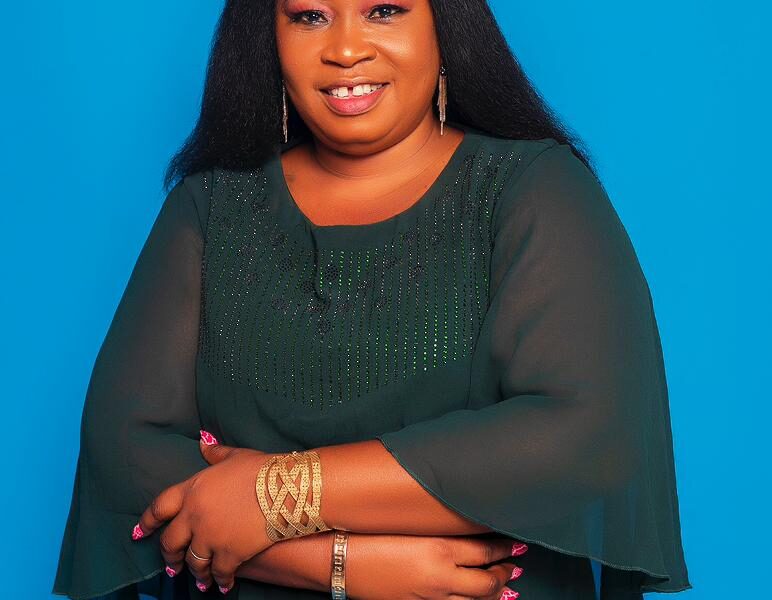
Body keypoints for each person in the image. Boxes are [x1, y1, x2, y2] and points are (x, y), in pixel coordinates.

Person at [52, 1, 692, 599]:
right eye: (310, 16)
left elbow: (583, 438)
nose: (345, 49)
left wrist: (276, 494)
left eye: (384, 10)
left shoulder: (533, 189)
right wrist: (342, 564)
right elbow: (124, 456)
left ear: (445, 24)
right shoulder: (211, 205)